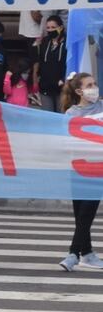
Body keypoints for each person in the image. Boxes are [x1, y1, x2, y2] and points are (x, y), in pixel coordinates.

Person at [60, 73, 103, 271]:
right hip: (77, 170)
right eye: (89, 85)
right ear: (79, 91)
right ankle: (87, 253)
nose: (94, 87)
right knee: (80, 216)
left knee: (86, 215)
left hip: (98, 171)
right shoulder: (71, 113)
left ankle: (72, 254)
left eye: (94, 84)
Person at [33, 15, 67, 112]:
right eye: (48, 28)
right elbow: (40, 62)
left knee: (61, 116)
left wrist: (63, 80)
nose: (50, 30)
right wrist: (37, 79)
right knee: (48, 116)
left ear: (60, 28)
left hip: (61, 87)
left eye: (53, 27)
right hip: (45, 86)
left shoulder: (67, 43)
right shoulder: (45, 41)